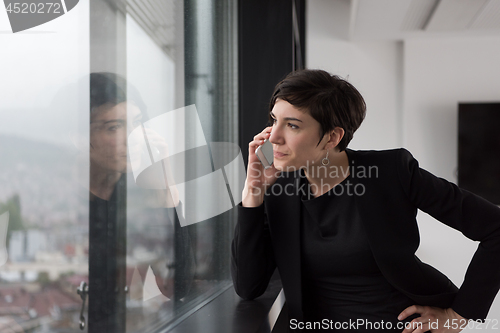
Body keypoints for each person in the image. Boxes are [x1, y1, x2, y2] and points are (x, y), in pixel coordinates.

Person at [231, 69, 500, 332]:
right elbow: (248, 287)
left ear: (332, 137)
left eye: (292, 125)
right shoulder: (279, 187)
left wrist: (458, 315)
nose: (273, 137)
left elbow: (495, 228)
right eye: (273, 120)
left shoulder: (391, 171)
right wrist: (253, 193)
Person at [87, 72, 193, 332]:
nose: (132, 139)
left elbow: (179, 284)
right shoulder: (76, 203)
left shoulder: (132, 197)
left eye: (136, 124)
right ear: (79, 137)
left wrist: (165, 179)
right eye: (114, 127)